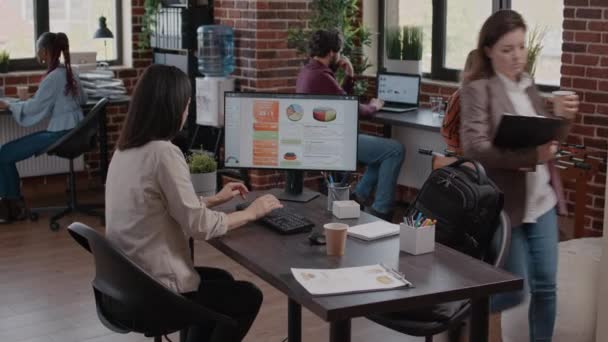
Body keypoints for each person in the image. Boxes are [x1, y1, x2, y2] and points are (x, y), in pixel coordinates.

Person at [105, 64, 283, 342]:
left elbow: (156, 205)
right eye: (186, 106)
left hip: (127, 284)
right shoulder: (163, 153)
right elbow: (198, 227)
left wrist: (214, 199)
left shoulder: (126, 149)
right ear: (173, 109)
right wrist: (252, 212)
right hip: (155, 289)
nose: (187, 113)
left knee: (222, 279)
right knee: (248, 296)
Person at [459, 10, 579, 342]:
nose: (517, 57)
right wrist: (531, 156)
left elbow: (548, 140)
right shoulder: (477, 89)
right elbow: (474, 147)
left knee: (546, 288)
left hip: (541, 204)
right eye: (507, 49)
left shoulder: (529, 88)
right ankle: (462, 314)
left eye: (521, 47)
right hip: (506, 207)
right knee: (513, 291)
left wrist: (563, 119)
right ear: (488, 50)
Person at [295, 29, 405, 221]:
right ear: (331, 52)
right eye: (339, 52)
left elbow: (340, 100)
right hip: (332, 142)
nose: (340, 56)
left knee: (382, 153)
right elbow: (354, 109)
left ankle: (358, 196)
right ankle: (380, 210)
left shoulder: (308, 71)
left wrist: (349, 76)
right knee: (394, 150)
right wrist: (373, 105)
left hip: (319, 138)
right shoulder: (322, 77)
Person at [0, 32, 86, 224]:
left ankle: (12, 209)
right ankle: (12, 206)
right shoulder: (69, 72)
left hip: (60, 134)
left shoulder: (53, 77)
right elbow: (83, 100)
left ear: (45, 52)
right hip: (76, 132)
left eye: (38, 50)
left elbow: (33, 108)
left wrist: (9, 104)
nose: (37, 54)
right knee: (5, 154)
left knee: (4, 153)